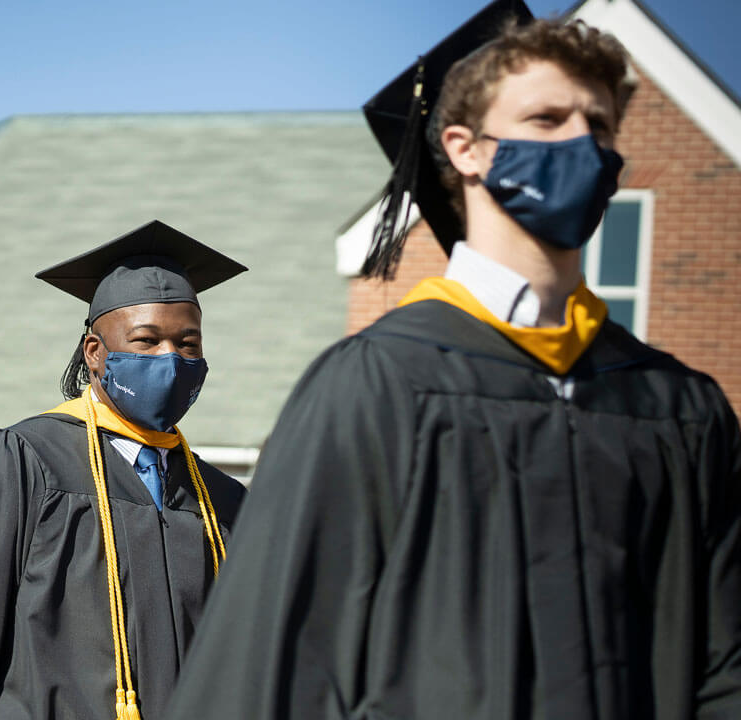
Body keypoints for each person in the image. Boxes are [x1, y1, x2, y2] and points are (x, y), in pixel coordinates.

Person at [165, 2, 741, 719]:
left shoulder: (678, 407)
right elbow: (272, 665)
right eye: (547, 120)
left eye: (598, 126)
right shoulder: (377, 383)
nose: (583, 144)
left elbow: (725, 664)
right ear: (466, 149)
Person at [0, 220, 249, 720]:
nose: (170, 359)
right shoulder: (21, 463)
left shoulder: (223, 503)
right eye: (146, 341)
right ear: (95, 353)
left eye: (188, 345)